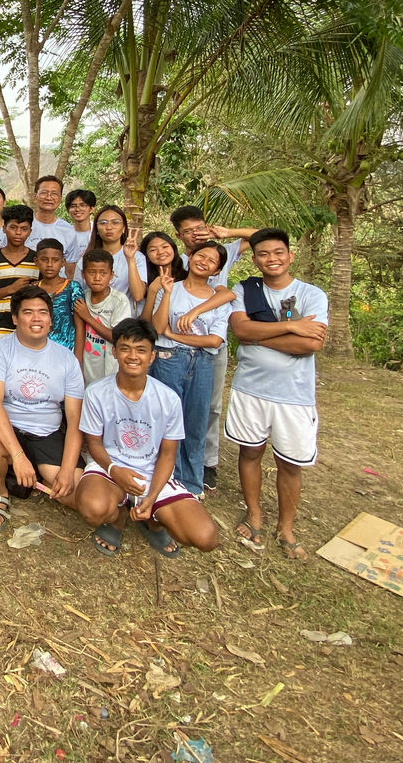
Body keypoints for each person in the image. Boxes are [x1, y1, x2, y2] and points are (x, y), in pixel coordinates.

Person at [73, 318, 220, 558]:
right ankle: (118, 516)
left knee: (205, 537)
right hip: (111, 468)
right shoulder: (96, 393)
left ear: (152, 356)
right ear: (114, 352)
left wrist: (151, 497)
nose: (133, 356)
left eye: (141, 350)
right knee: (93, 508)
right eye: (125, 348)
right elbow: (95, 443)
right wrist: (114, 470)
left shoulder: (168, 398)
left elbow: (168, 453)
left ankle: (153, 519)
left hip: (153, 474)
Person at [225, 228, 328, 560]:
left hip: (294, 395)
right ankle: (254, 512)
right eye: (264, 254)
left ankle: (286, 526)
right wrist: (291, 326)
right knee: (250, 452)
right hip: (250, 388)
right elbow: (240, 329)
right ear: (254, 259)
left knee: (290, 463)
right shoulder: (245, 290)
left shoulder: (312, 295)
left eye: (278, 253)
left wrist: (260, 335)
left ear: (290, 255)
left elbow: (310, 344)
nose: (272, 259)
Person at [0, 286, 85, 529]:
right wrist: (18, 455)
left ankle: (35, 472)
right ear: (14, 318)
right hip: (6, 428)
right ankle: (0, 493)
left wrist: (66, 470)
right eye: (28, 312)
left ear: (51, 319)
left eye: (43, 313)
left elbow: (75, 420)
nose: (36, 319)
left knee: (76, 495)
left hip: (47, 433)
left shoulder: (67, 359)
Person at [171, 206, 258, 493]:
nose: (196, 234)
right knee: (176, 403)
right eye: (188, 230)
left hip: (212, 339)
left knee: (210, 405)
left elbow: (263, 237)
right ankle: (172, 461)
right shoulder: (178, 260)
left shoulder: (224, 250)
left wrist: (228, 232)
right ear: (179, 235)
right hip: (174, 343)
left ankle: (206, 462)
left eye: (200, 227)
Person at [150, 241, 236, 496]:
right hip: (168, 359)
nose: (204, 261)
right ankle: (167, 481)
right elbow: (157, 327)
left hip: (203, 362)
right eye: (201, 255)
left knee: (196, 422)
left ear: (217, 270)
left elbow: (214, 340)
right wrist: (165, 294)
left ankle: (192, 484)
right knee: (167, 420)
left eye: (212, 260)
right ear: (190, 258)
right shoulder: (171, 288)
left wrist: (175, 336)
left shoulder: (219, 300)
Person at [0, 204, 39, 342]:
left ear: (30, 231)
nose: (18, 233)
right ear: (4, 228)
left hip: (28, 331)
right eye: (13, 227)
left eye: (24, 229)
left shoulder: (37, 261)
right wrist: (11, 288)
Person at [73, 248, 135, 384]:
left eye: (103, 273)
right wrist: (77, 368)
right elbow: (79, 335)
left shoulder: (119, 300)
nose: (97, 278)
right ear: (83, 274)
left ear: (111, 275)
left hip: (112, 371)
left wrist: (88, 317)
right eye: (91, 272)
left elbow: (118, 337)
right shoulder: (82, 298)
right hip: (88, 368)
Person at [35, 238, 85, 362]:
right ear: (36, 261)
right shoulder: (33, 289)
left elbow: (80, 327)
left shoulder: (73, 288)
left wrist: (77, 361)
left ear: (63, 262)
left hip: (66, 355)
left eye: (55, 260)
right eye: (44, 260)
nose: (50, 265)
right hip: (37, 354)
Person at [88, 205, 147, 302]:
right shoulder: (88, 258)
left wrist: (130, 259)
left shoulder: (137, 257)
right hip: (94, 315)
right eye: (103, 223)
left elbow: (138, 296)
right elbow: (79, 295)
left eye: (115, 222)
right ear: (96, 229)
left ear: (124, 228)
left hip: (126, 316)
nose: (109, 227)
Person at [25, 176, 75, 267]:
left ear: (60, 199)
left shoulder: (68, 230)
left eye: (54, 194)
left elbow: (70, 267)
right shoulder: (23, 226)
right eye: (44, 193)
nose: (49, 198)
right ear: (35, 197)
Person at [138, 231, 187, 321]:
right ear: (147, 257)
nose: (160, 252)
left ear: (173, 249)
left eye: (165, 247)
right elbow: (144, 321)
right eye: (153, 250)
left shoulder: (186, 277)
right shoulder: (143, 282)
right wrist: (152, 291)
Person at [63, 189, 97, 272]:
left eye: (82, 205)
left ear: (91, 209)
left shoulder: (99, 233)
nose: (77, 209)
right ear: (68, 210)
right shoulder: (64, 234)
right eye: (73, 206)